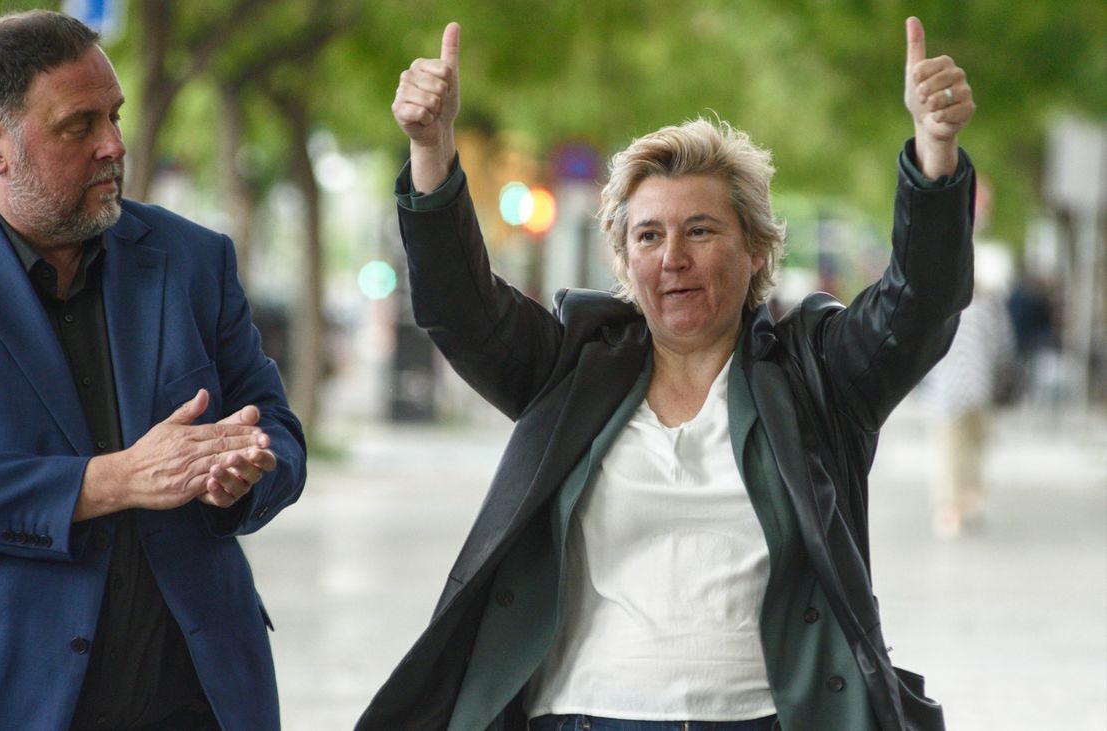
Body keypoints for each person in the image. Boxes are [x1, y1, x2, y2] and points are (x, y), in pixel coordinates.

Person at [362, 17, 974, 731]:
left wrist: (934, 156)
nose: (672, 256)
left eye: (701, 230)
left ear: (755, 250)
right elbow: (462, 312)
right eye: (648, 235)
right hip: (582, 717)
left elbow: (918, 306)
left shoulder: (818, 373)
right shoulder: (572, 366)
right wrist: (432, 150)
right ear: (625, 260)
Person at [0, 11, 305, 730]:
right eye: (79, 126)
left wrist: (240, 473)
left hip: (188, 695)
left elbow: (279, 433)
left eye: (115, 116)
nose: (114, 145)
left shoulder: (194, 261)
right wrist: (117, 478)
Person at [918, 256, 1016, 538]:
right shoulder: (989, 308)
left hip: (945, 393)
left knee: (948, 453)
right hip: (979, 389)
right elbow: (1004, 347)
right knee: (975, 449)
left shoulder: (937, 309)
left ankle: (949, 510)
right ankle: (971, 501)